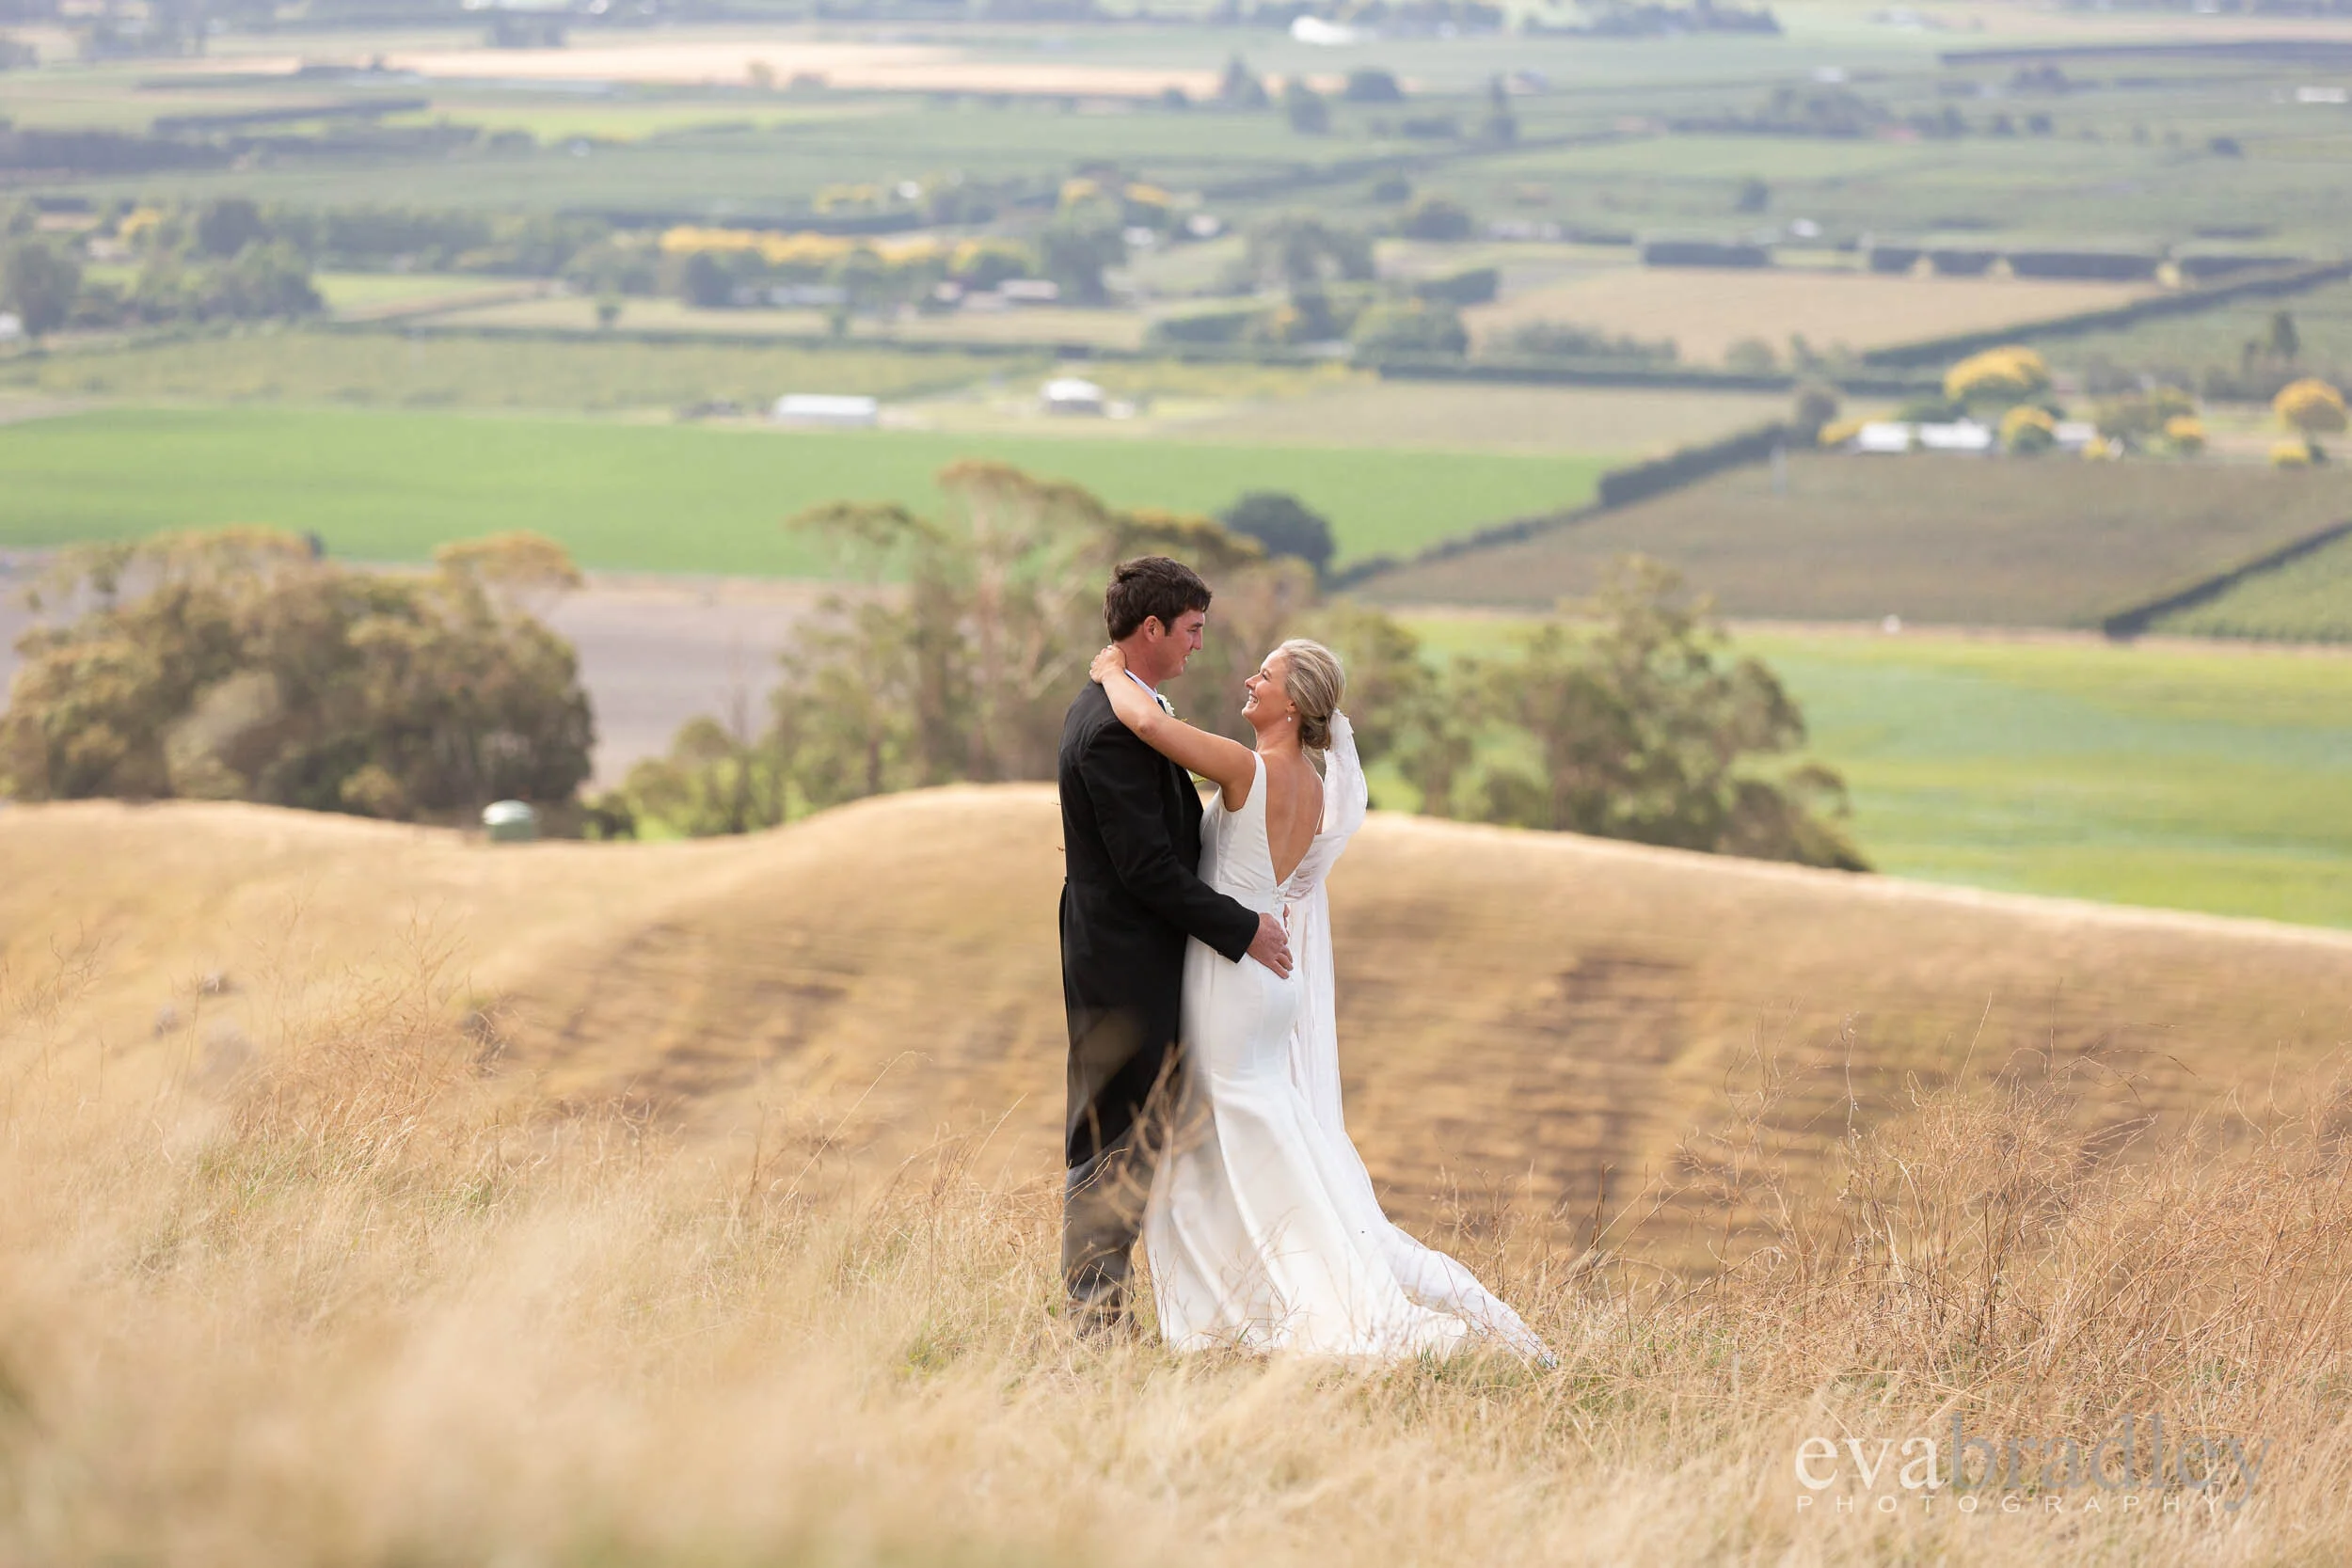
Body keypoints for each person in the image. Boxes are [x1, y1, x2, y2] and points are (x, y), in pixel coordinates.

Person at [1088, 633, 1550, 1360]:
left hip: (1231, 980)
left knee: (1215, 1142)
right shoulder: (1310, 784)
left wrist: (1111, 671)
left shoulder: (1249, 769)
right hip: (1272, 982)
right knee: (1265, 1131)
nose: (1249, 679)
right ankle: (1277, 1284)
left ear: (1294, 701)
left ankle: (1279, 1299)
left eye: (1264, 675)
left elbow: (1147, 725)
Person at [1056, 556, 1295, 1332]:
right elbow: (1149, 870)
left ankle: (1160, 1304)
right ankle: (1093, 1318)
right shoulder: (1110, 732)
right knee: (1111, 1134)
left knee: (1142, 1132)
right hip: (1125, 966)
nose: (1199, 645)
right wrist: (1242, 926)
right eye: (1192, 630)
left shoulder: (1126, 707)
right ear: (1151, 627)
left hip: (1146, 956)